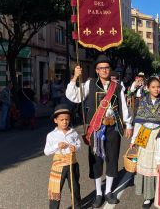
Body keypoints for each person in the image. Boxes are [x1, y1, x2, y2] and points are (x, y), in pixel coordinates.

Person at [66, 55, 133, 207]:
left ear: (110, 70)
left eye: (107, 68)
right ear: (96, 70)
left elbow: (123, 106)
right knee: (95, 160)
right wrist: (74, 78)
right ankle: (98, 193)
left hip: (113, 127)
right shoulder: (90, 84)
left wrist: (128, 125)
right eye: (101, 68)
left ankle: (108, 191)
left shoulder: (117, 86)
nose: (104, 70)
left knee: (112, 158)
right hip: (96, 128)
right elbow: (73, 96)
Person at [129, 77, 160, 209]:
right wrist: (133, 140)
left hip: (159, 134)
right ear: (148, 88)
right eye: (153, 87)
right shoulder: (144, 101)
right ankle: (148, 196)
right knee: (145, 164)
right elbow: (139, 122)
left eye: (158, 87)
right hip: (144, 134)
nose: (156, 89)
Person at [44, 104, 82, 209]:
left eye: (67, 119)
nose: (64, 122)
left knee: (75, 187)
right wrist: (57, 146)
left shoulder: (73, 132)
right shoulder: (51, 135)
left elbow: (79, 145)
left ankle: (77, 206)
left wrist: (75, 148)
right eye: (61, 120)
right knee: (55, 189)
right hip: (59, 166)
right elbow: (46, 151)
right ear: (55, 120)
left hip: (72, 164)